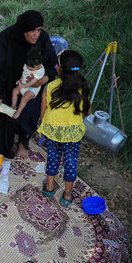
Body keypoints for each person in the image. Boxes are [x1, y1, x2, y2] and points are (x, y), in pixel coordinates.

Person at [0, 10, 57, 159]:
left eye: (39, 30)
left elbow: (51, 66)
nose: (36, 34)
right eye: (32, 31)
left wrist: (43, 80)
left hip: (31, 83)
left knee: (33, 100)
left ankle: (23, 142)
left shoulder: (43, 39)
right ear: (23, 29)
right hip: (1, 80)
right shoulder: (5, 38)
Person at [37, 50, 92, 207]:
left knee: (53, 157)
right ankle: (67, 196)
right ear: (78, 69)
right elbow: (87, 114)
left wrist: (45, 123)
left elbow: (42, 114)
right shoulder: (83, 88)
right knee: (71, 162)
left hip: (53, 132)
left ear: (58, 68)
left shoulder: (50, 87)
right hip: (73, 135)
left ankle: (49, 188)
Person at [11, 47, 45, 119]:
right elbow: (24, 73)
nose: (29, 68)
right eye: (27, 66)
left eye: (32, 67)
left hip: (32, 88)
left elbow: (34, 81)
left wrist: (25, 85)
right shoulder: (28, 65)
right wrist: (20, 80)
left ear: (39, 65)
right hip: (23, 83)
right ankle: (14, 105)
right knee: (14, 91)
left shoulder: (40, 71)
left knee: (25, 97)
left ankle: (19, 111)